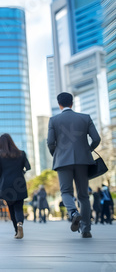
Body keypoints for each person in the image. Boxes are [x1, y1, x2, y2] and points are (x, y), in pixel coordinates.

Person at [47, 92, 100, 238]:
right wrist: (87, 150)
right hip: (83, 161)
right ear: (72, 103)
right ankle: (86, 230)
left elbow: (50, 142)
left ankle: (73, 212)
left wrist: (56, 154)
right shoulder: (85, 118)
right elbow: (96, 138)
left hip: (62, 161)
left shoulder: (53, 120)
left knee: (66, 192)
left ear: (59, 104)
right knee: (83, 195)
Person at [0, 133, 31, 239]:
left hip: (6, 185)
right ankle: (20, 224)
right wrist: (21, 173)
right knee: (19, 207)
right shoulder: (21, 153)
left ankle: (16, 231)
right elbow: (28, 167)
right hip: (19, 184)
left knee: (11, 208)